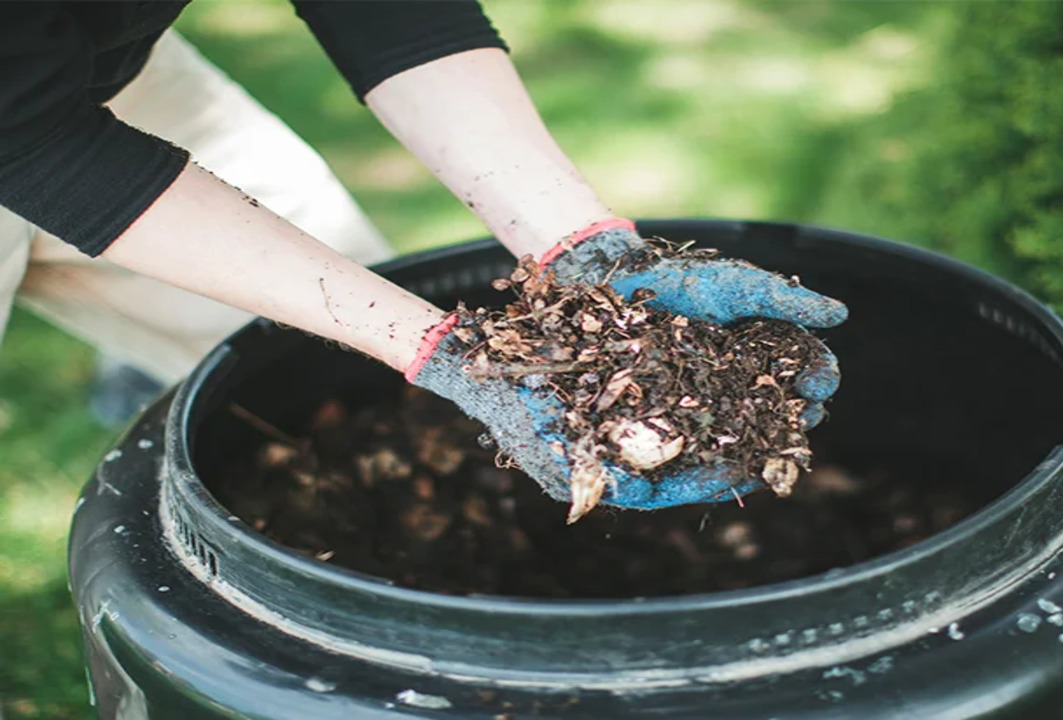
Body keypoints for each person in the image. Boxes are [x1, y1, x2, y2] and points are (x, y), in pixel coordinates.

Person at [0, 1, 846, 509]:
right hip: (22, 113)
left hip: (76, 64)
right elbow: (31, 141)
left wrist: (586, 247)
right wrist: (448, 353)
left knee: (329, 383)